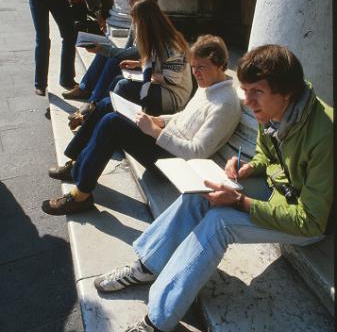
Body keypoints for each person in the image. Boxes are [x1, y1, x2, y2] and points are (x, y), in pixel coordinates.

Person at [89, 44, 333, 332]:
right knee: (200, 192)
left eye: (256, 92)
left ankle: (156, 324)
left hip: (311, 220)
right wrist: (248, 168)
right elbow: (268, 157)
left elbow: (312, 220)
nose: (248, 101)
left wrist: (243, 202)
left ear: (286, 92)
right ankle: (148, 264)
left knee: (220, 223)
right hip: (281, 191)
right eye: (245, 90)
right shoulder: (271, 110)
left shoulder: (325, 133)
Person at [42, 35, 241, 216]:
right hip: (165, 142)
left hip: (174, 162)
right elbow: (183, 116)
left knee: (112, 123)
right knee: (107, 104)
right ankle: (77, 162)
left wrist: (154, 131)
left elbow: (196, 152)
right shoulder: (210, 85)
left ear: (220, 65)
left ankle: (81, 195)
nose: (196, 73)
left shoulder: (224, 104)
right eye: (193, 67)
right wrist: (158, 120)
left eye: (201, 67)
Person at [63, 0, 158, 110]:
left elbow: (137, 52)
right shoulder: (137, 16)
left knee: (111, 58)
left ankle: (93, 103)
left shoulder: (149, 21)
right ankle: (85, 88)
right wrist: (106, 50)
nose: (129, 2)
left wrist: (106, 50)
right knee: (105, 55)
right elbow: (128, 47)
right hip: (140, 59)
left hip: (147, 64)